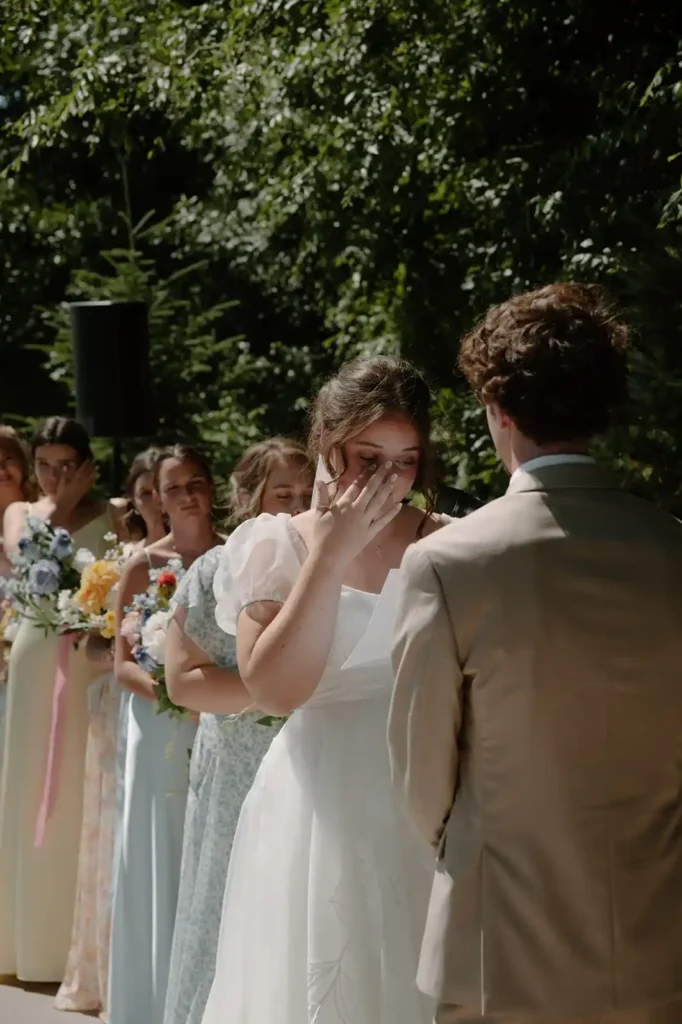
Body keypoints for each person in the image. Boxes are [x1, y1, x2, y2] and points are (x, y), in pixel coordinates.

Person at [388, 282, 682, 1024]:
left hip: (501, 947)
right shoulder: (672, 550)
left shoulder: (450, 564)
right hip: (660, 941)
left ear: (500, 411)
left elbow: (423, 783)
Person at [201, 357, 443, 1024]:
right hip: (312, 802)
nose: (386, 478)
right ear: (326, 445)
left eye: (405, 459)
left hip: (418, 797)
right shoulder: (274, 543)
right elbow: (274, 689)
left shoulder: (446, 545)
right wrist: (330, 555)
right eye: (369, 456)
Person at [163, 437, 315, 1024]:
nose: (298, 505)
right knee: (228, 916)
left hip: (316, 766)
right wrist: (282, 686)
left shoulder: (340, 567)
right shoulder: (215, 570)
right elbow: (183, 682)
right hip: (238, 778)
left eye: (308, 494)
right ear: (250, 498)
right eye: (283, 495)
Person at [108, 445, 223, 1024]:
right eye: (173, 487)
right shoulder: (141, 566)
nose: (186, 496)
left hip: (221, 720)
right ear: (155, 495)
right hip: (159, 725)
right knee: (161, 848)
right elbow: (122, 664)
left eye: (195, 482)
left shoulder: (236, 555)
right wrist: (177, 694)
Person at [0, 417, 116, 982]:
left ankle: (72, 944)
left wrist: (77, 503)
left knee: (76, 790)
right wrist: (63, 505)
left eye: (65, 465)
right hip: (32, 656)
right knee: (28, 791)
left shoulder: (110, 513)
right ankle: (27, 945)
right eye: (44, 465)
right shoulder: (20, 514)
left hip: (84, 664)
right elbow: (30, 567)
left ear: (87, 464)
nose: (53, 476)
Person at [56, 447, 168, 1016]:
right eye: (144, 492)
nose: (154, 500)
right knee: (116, 824)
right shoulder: (118, 561)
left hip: (173, 703)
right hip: (120, 702)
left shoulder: (200, 552)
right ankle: (107, 968)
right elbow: (93, 641)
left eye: (160, 490)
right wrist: (132, 650)